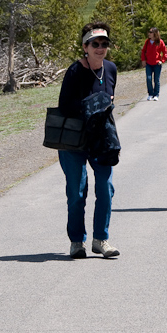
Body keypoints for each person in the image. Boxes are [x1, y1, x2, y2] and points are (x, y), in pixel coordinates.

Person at [57, 22, 121, 258]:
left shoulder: (111, 69)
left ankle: (101, 240)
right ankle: (77, 241)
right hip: (74, 140)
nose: (100, 48)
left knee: (105, 188)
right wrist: (93, 104)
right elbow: (65, 106)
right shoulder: (75, 71)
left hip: (101, 139)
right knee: (77, 192)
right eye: (95, 44)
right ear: (85, 46)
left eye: (104, 43)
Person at [140, 27, 167, 101]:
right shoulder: (147, 42)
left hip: (157, 64)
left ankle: (156, 94)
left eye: (151, 32)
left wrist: (162, 61)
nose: (149, 33)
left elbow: (164, 52)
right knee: (149, 79)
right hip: (149, 64)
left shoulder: (160, 42)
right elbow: (143, 51)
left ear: (155, 33)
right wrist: (143, 60)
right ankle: (150, 94)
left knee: (156, 80)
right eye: (149, 32)